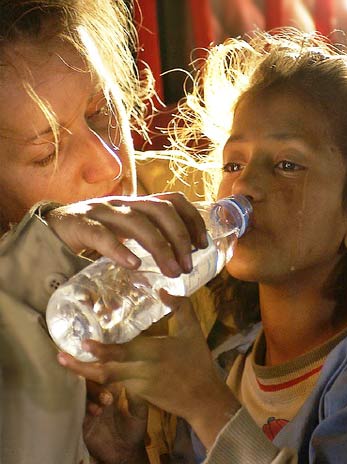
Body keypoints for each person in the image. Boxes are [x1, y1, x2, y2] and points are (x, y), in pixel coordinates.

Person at [59, 29, 347, 463]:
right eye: (233, 163)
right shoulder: (228, 360)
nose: (243, 185)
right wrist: (126, 454)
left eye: (286, 165)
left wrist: (208, 407)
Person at [0, 1, 208, 463]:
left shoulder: (200, 200)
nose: (110, 163)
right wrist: (31, 264)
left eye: (101, 112)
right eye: (46, 152)